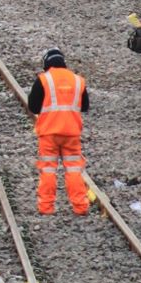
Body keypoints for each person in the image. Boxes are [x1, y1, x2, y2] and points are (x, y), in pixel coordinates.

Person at [27, 47, 89, 216]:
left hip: (49, 133)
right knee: (74, 169)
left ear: (46, 63)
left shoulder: (44, 79)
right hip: (72, 133)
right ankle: (80, 207)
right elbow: (85, 106)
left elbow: (33, 106)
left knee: (48, 169)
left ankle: (46, 208)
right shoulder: (78, 80)